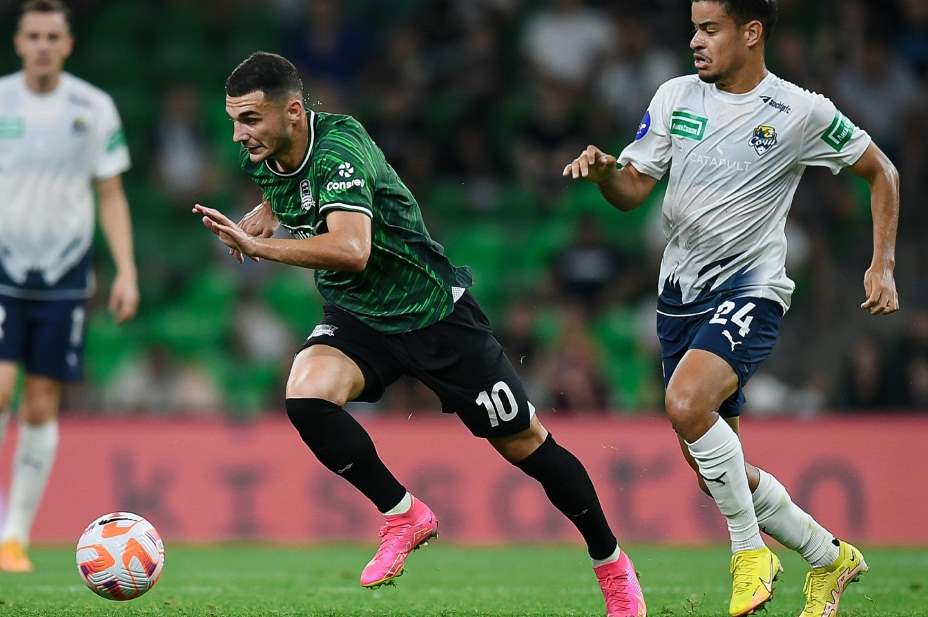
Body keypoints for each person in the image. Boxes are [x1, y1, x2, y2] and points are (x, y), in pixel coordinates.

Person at [192, 51, 646, 617]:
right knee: (306, 396)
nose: (239, 135)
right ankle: (403, 514)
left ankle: (612, 565)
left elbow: (352, 250)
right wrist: (268, 207)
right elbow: (294, 186)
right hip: (359, 316)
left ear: (292, 112)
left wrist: (260, 246)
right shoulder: (267, 151)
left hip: (433, 315)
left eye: (250, 119)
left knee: (526, 445)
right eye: (234, 120)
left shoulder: (339, 150)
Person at [563, 1, 899, 616]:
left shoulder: (799, 110)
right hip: (679, 296)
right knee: (717, 471)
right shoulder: (674, 97)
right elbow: (632, 191)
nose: (696, 40)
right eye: (694, 28)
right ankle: (829, 557)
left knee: (685, 403)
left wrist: (882, 263)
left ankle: (750, 553)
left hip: (751, 288)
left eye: (710, 29)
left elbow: (882, 171)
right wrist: (607, 172)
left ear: (751, 33)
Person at [0, 0, 138, 572]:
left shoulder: (93, 106)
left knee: (40, 402)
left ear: (68, 44)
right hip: (4, 269)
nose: (42, 45)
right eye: (33, 35)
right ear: (18, 42)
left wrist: (126, 268)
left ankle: (14, 537)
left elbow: (110, 193)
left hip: (64, 274)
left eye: (52, 36)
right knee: (0, 387)